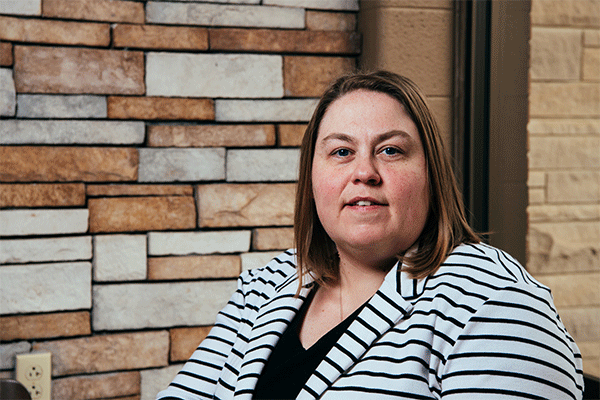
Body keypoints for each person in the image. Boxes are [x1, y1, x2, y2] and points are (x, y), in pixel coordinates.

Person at [157, 71, 584, 399]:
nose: (364, 172)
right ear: (312, 178)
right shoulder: (267, 285)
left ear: (430, 175)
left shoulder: (495, 303)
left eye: (390, 150)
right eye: (341, 152)